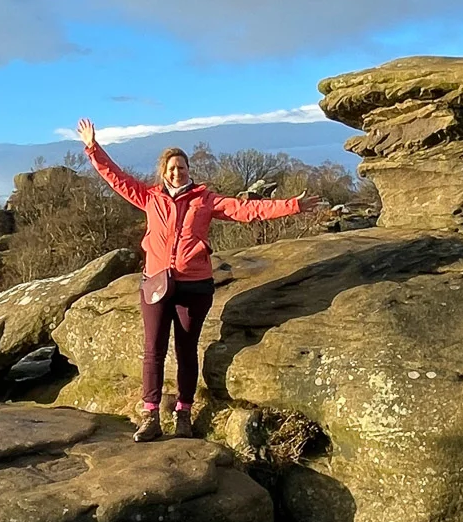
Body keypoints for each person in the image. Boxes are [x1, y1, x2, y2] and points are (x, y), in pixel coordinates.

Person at [76, 118, 318, 441]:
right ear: (164, 172)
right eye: (173, 168)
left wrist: (293, 206)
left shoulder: (205, 200)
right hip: (157, 283)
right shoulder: (149, 197)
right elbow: (116, 179)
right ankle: (150, 416)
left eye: (183, 167)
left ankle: (184, 413)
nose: (179, 172)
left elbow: (246, 209)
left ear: (189, 170)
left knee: (187, 351)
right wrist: (93, 148)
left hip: (194, 286)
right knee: (153, 350)